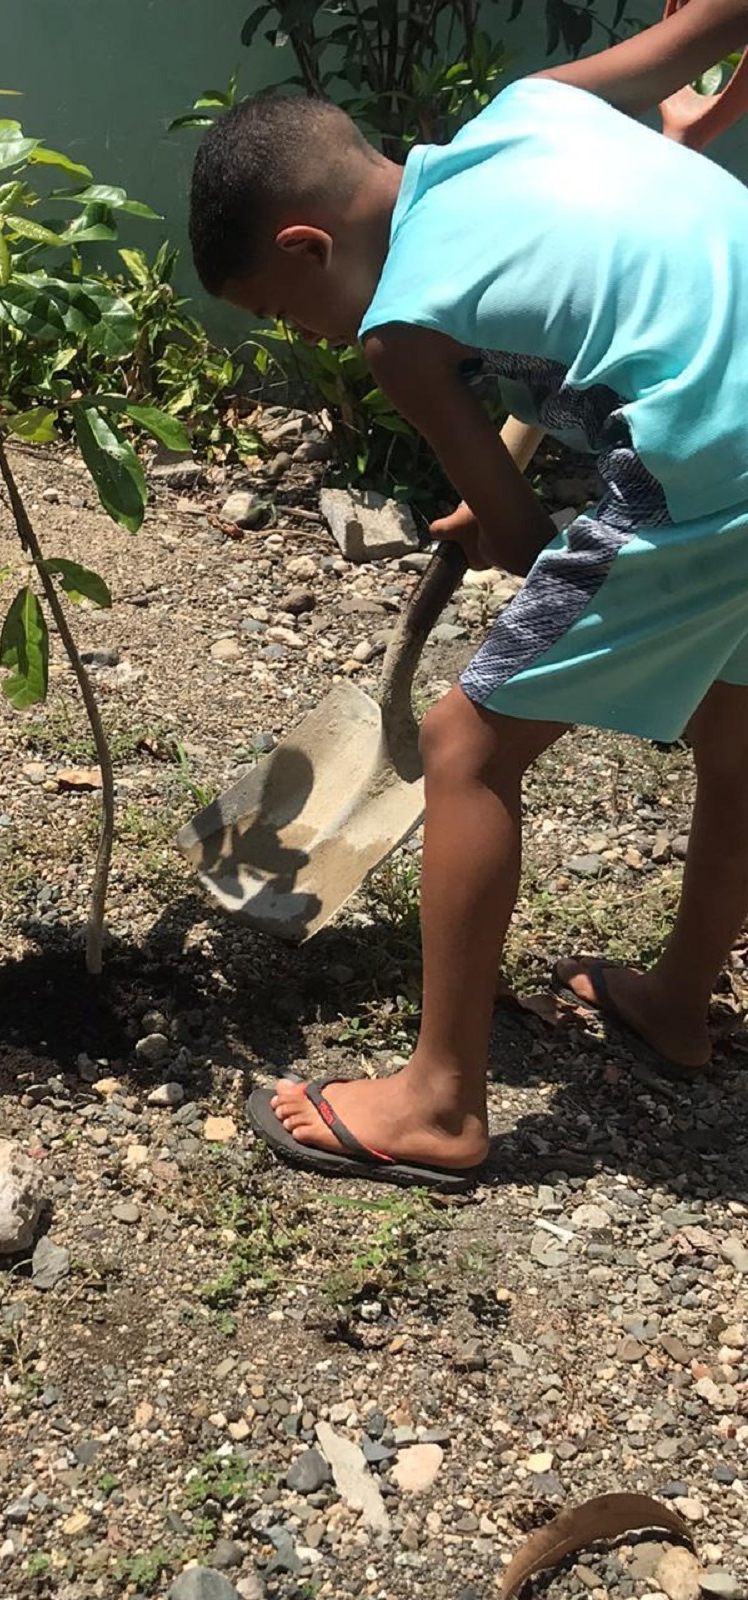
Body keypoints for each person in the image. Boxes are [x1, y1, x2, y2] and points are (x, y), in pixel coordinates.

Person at [187, 0, 748, 1188]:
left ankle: (439, 1103)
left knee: (461, 746)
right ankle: (680, 1003)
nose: (322, 337)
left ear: (305, 248)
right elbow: (705, 32)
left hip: (717, 454)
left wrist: (489, 514)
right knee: (740, 727)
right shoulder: (535, 108)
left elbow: (522, 533)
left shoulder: (399, 330)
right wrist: (685, 136)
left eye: (293, 316)